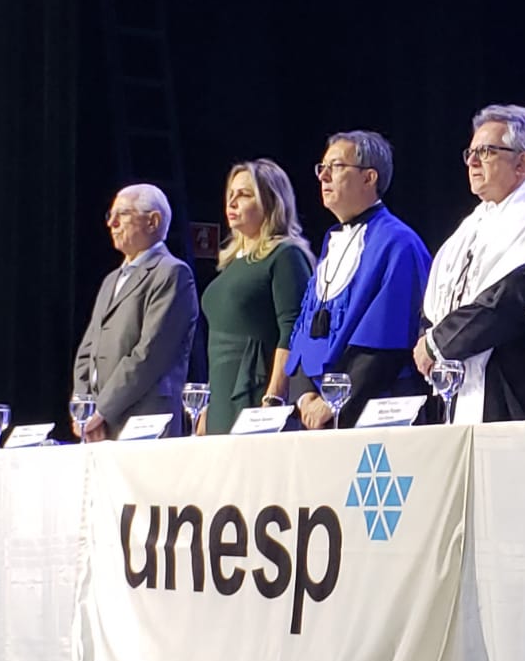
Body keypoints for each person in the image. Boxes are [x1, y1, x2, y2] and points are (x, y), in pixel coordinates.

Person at [415, 104, 525, 423]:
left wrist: (437, 344)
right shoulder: (472, 224)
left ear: (523, 162)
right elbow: (436, 301)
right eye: (471, 152)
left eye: (487, 151)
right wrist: (429, 337)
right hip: (458, 387)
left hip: (513, 392)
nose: (473, 161)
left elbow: (506, 303)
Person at [286, 130, 431, 429]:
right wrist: (305, 396)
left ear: (369, 178)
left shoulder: (398, 243)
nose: (323, 176)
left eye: (337, 166)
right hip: (318, 414)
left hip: (375, 411)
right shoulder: (332, 243)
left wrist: (333, 402)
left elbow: (386, 340)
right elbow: (304, 329)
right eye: (322, 167)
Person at [72, 183, 199, 440]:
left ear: (153, 222)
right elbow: (87, 352)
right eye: (110, 215)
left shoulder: (172, 273)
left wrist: (102, 410)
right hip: (99, 425)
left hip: (144, 419)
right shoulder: (110, 280)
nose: (112, 223)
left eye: (122, 214)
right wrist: (84, 410)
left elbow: (149, 354)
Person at [195, 159, 312, 436]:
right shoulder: (232, 263)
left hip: (257, 394)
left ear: (271, 202)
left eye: (245, 194)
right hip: (222, 395)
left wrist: (274, 397)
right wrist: (209, 407)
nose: (233, 202)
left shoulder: (285, 255)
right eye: (231, 194)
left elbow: (292, 330)